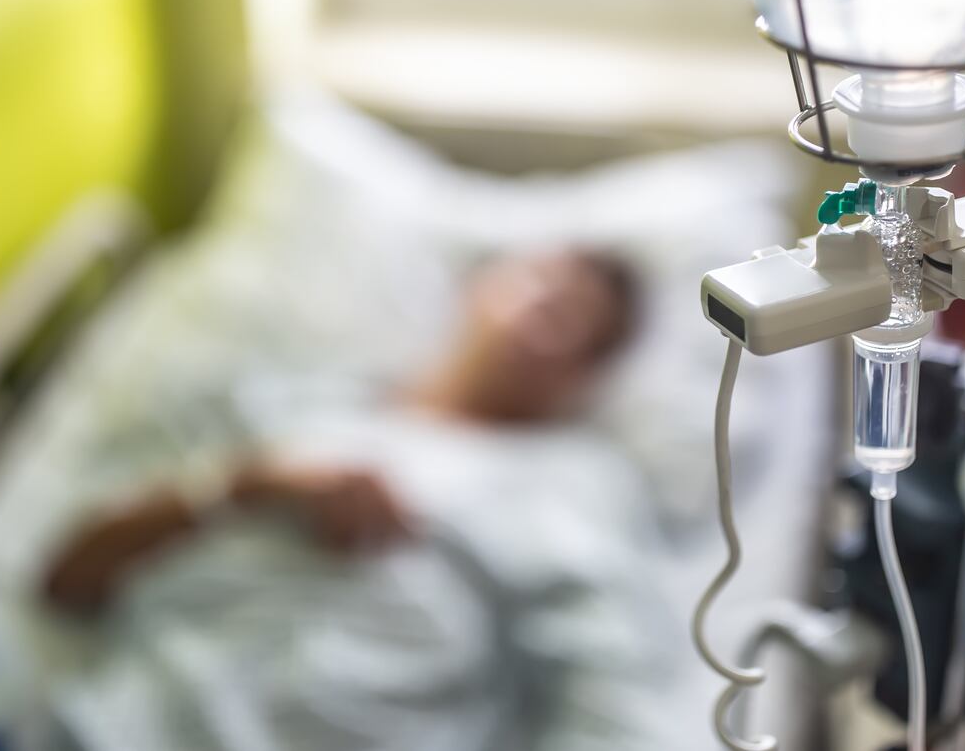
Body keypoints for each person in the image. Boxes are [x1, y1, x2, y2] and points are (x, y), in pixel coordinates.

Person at [41, 248, 640, 614]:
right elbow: (68, 574)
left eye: (583, 330)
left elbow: (599, 698)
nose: (547, 321)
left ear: (584, 381)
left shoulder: (567, 488)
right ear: (478, 286)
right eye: (543, 285)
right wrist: (253, 486)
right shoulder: (300, 404)